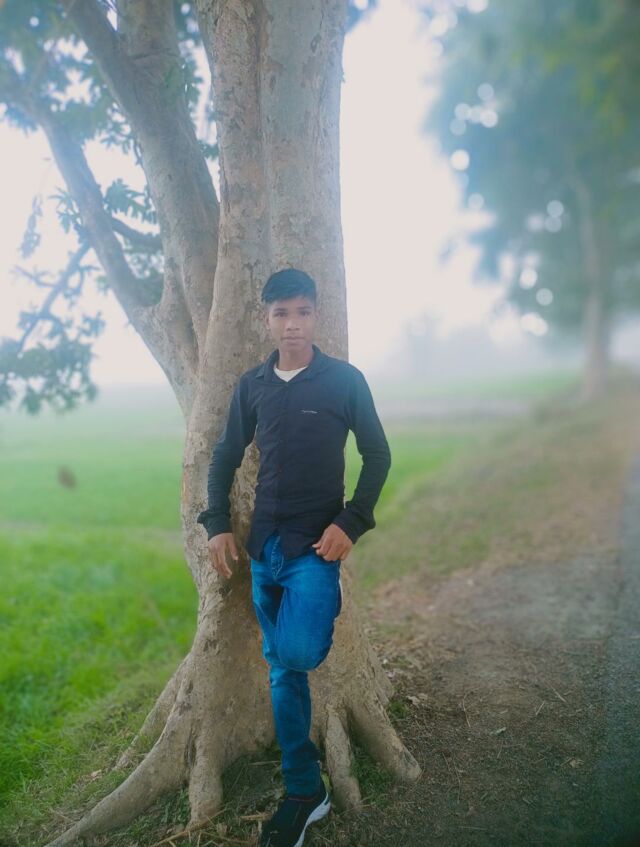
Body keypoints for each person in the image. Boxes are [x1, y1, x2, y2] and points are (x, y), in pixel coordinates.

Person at [196, 267, 391, 847]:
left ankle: (306, 783)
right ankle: (305, 791)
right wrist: (217, 524)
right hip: (263, 550)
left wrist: (351, 522)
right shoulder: (253, 385)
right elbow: (225, 455)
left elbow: (377, 455)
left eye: (302, 312)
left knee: (294, 654)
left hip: (314, 550)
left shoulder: (344, 381)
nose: (292, 324)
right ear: (267, 320)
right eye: (281, 314)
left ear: (315, 316)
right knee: (283, 672)